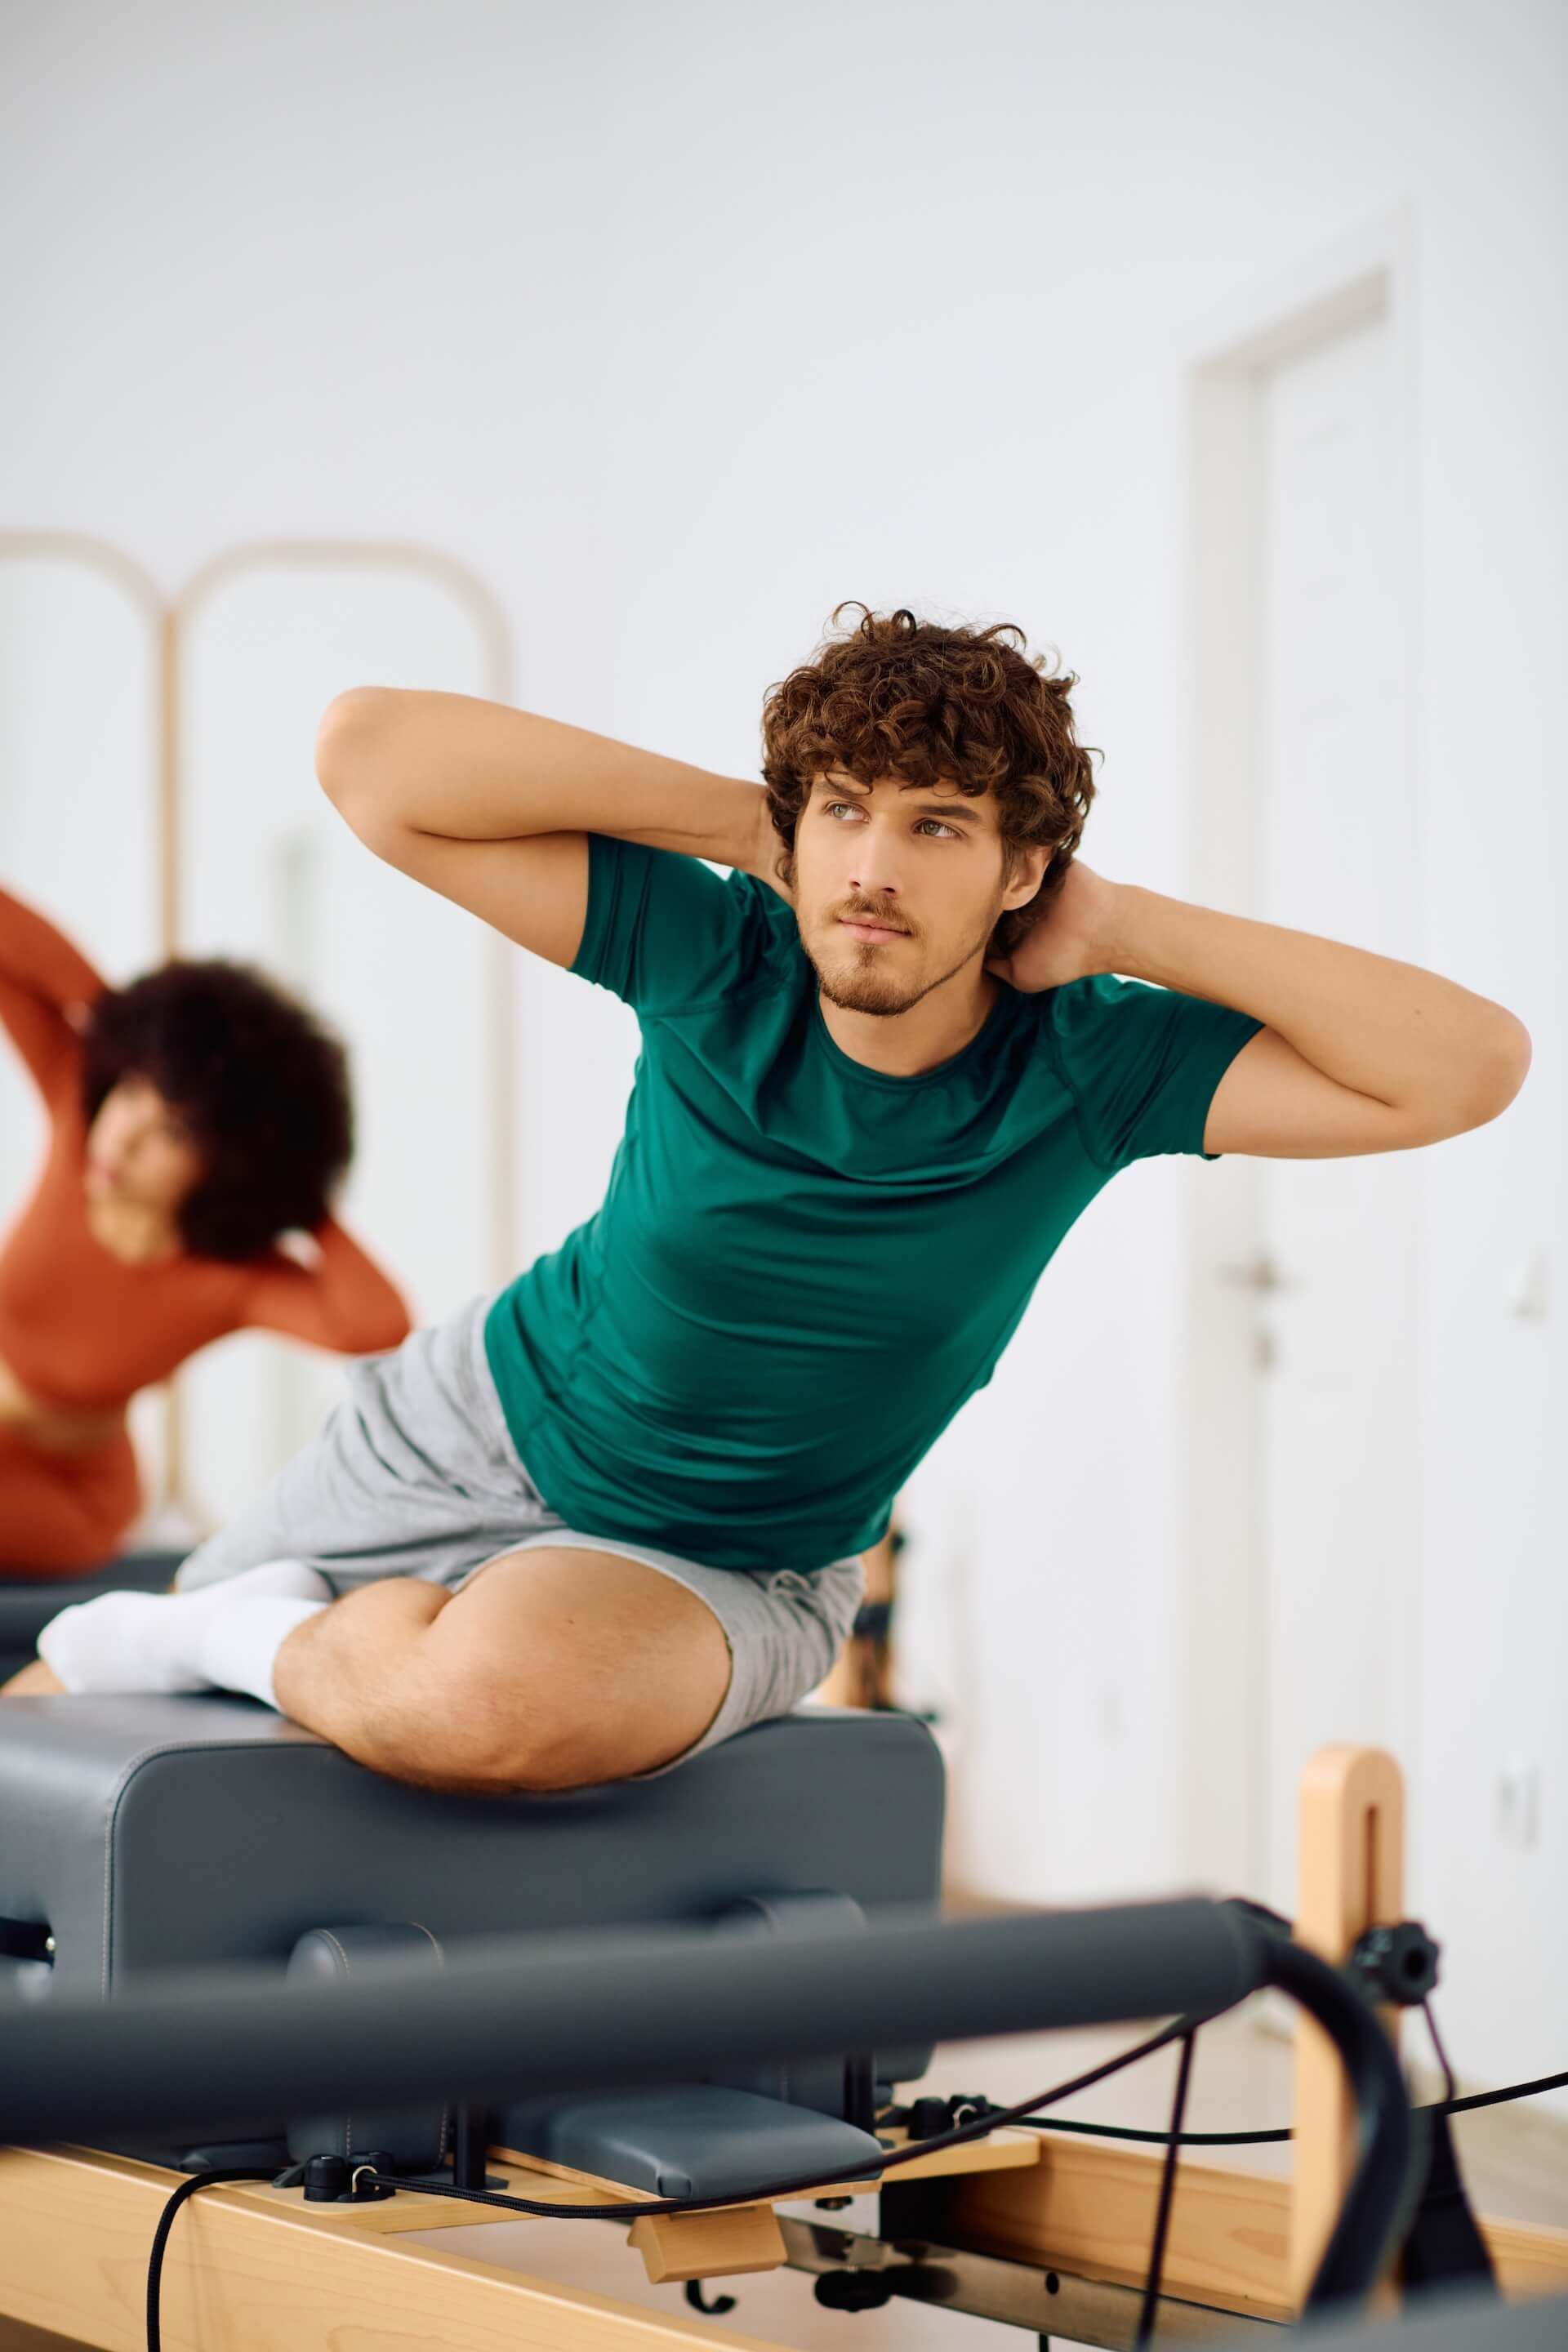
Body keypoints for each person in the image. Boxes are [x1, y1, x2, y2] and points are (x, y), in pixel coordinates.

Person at [17, 606, 1530, 1788]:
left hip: (711, 1564)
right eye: (844, 813)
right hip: (466, 1425)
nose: (872, 868)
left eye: (937, 825)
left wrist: (1124, 924)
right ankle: (244, 1637)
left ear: (1023, 871)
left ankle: (232, 1634)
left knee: (475, 1710)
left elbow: (1464, 1068)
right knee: (45, 1730)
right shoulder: (718, 949)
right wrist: (744, 823)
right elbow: (369, 756)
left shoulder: (1096, 1067)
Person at [0, 880, 412, 1573]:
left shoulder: (236, 1278)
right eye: (131, 1091)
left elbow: (377, 1324)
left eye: (174, 1131)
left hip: (69, 1495)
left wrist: (296, 1189)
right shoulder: (82, 1113)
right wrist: (132, 1028)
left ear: (232, 1163)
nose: (125, 1136)